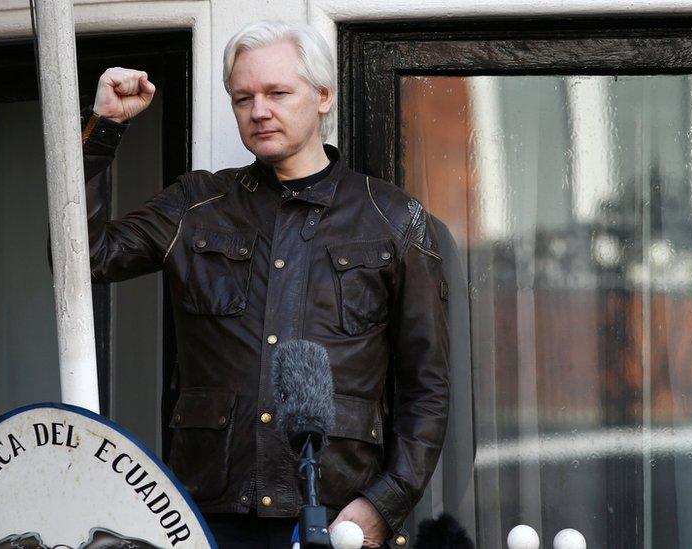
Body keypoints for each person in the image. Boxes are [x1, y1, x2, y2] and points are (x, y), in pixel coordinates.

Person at [77, 20, 450, 548]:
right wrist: (103, 130)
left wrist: (384, 504)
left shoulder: (392, 218)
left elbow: (426, 387)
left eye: (277, 93)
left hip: (338, 516)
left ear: (322, 96)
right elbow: (84, 256)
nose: (259, 111)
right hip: (205, 515)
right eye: (242, 97)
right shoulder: (197, 205)